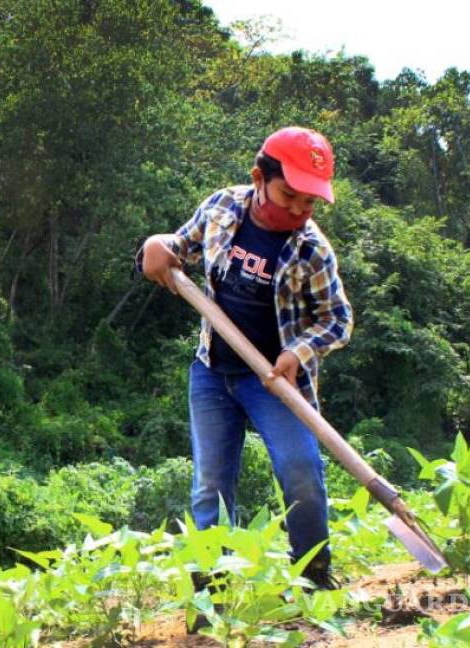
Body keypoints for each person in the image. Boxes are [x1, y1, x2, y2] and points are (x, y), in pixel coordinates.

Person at [137, 126, 354, 589]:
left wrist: (298, 351)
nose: (297, 210)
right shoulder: (222, 208)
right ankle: (210, 592)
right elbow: (182, 246)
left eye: (309, 203)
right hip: (213, 372)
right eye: (288, 196)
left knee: (300, 473)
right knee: (210, 486)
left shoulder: (311, 249)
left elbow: (337, 319)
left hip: (276, 380)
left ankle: (314, 574)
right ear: (259, 177)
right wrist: (158, 245)